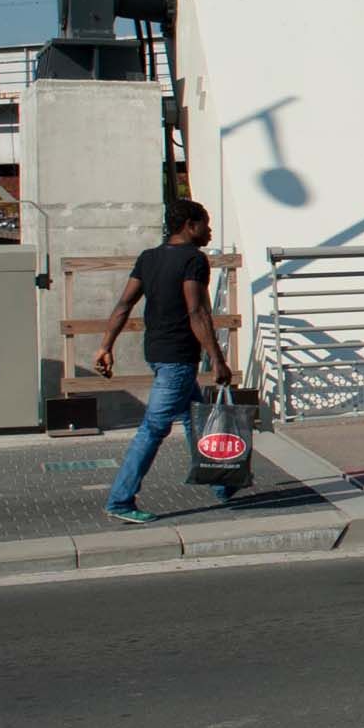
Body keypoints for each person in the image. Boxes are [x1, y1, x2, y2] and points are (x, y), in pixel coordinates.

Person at [95, 199, 236, 522]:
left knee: (194, 418)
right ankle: (120, 501)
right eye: (205, 224)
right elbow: (196, 311)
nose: (210, 230)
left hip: (156, 353)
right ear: (190, 225)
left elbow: (124, 304)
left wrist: (105, 346)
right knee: (153, 429)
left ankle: (222, 482)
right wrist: (217, 359)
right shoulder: (194, 260)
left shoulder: (149, 258)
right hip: (178, 358)